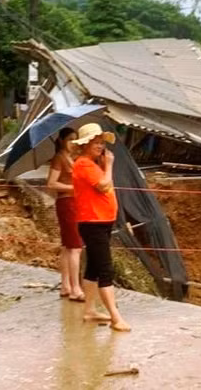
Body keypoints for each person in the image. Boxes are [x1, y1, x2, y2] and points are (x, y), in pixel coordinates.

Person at [71, 123, 131, 332]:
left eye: (101, 142)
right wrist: (110, 165)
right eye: (95, 141)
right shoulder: (84, 164)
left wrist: (104, 165)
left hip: (101, 221)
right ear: (85, 144)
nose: (100, 145)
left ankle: (90, 310)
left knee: (94, 268)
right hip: (93, 222)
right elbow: (104, 185)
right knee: (106, 269)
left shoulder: (93, 164)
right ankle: (115, 317)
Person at [46, 127, 84, 301]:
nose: (72, 143)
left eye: (75, 140)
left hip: (75, 203)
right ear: (62, 140)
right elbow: (51, 184)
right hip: (67, 202)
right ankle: (75, 288)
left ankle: (66, 285)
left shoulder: (73, 158)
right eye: (70, 139)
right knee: (75, 247)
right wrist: (73, 188)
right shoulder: (59, 158)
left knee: (67, 246)